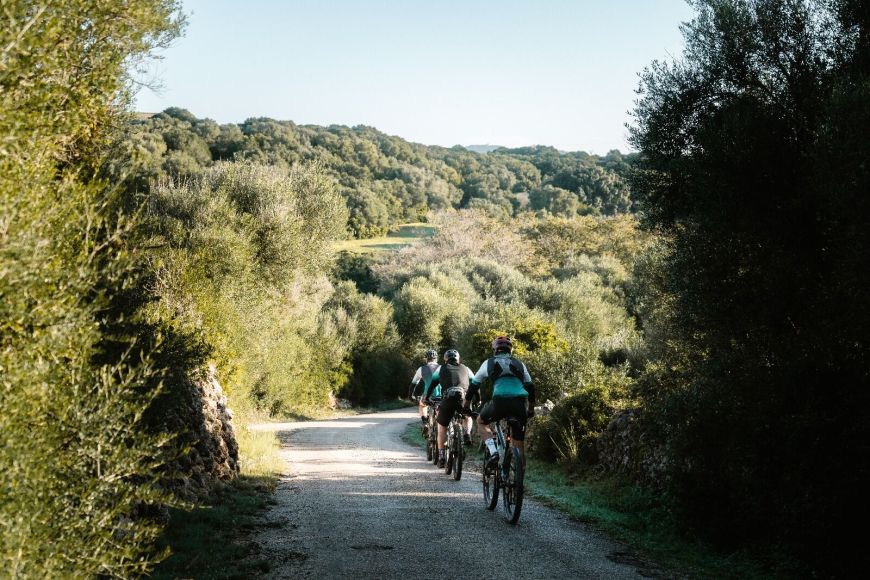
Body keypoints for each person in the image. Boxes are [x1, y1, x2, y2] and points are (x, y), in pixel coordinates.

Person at [464, 336, 535, 467]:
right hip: (519, 404)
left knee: (481, 421)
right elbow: (530, 387)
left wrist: (466, 406)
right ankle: (519, 484)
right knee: (519, 446)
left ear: (495, 350)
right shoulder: (519, 363)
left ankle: (493, 452)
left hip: (499, 402)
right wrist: (530, 409)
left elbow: (474, 386)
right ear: (510, 350)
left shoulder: (488, 363)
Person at [425, 349, 475, 468]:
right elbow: (475, 384)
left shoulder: (441, 368)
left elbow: (433, 384)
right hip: (462, 398)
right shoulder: (466, 368)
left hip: (447, 399)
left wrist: (427, 397)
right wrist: (478, 399)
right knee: (467, 416)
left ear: (445, 359)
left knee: (442, 427)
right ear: (459, 359)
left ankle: (442, 456)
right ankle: (466, 433)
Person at [409, 349, 440, 436]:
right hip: (441, 396)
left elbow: (413, 383)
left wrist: (411, 395)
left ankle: (425, 422)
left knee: (422, 405)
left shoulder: (422, 369)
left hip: (428, 396)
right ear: (436, 359)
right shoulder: (443, 368)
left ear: (426, 359)